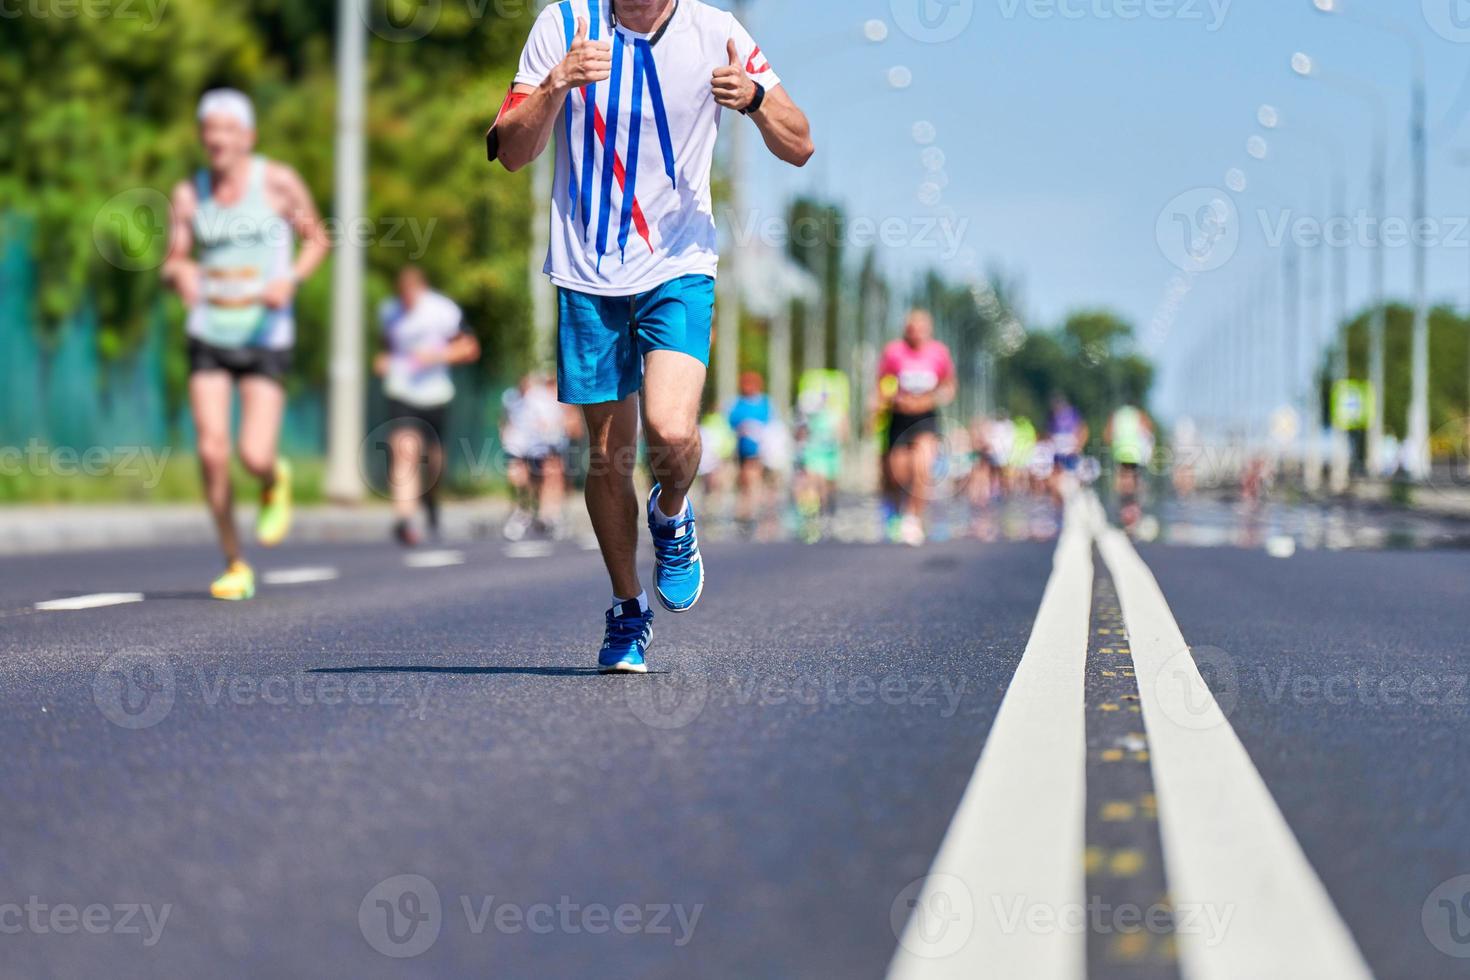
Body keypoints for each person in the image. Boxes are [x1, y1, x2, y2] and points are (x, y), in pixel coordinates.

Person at [491, 0, 813, 672]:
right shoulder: (565, 23)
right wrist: (555, 85)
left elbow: (800, 143)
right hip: (587, 270)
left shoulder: (715, 29)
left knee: (671, 430)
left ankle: (672, 511)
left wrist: (754, 99)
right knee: (608, 453)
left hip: (678, 266)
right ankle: (627, 607)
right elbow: (512, 153)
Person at [162, 89, 330, 600]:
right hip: (210, 331)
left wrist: (290, 280)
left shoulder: (277, 182)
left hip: (265, 333)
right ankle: (235, 562)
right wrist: (183, 274)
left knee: (250, 452)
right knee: (212, 451)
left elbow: (317, 238)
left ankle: (270, 475)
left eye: (228, 130)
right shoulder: (188, 195)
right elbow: (173, 259)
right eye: (209, 130)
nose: (217, 139)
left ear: (248, 137)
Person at [374, 266, 481, 546]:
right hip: (401, 390)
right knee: (404, 450)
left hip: (436, 393)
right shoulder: (389, 311)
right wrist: (384, 361)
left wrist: (437, 356)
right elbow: (387, 347)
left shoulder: (443, 311)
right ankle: (405, 520)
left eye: (411, 295)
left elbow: (470, 348)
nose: (406, 301)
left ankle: (431, 499)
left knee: (434, 462)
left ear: (421, 290)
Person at [876, 309, 956, 547]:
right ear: (906, 330)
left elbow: (949, 387)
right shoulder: (893, 352)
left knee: (923, 466)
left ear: (929, 330)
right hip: (899, 417)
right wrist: (891, 399)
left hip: (926, 418)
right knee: (898, 472)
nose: (916, 333)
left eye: (921, 329)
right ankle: (896, 510)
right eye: (912, 329)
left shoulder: (939, 353)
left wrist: (931, 399)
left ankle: (913, 519)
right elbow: (881, 384)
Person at [501, 373, 574, 541]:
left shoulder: (547, 399)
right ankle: (524, 512)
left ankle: (549, 515)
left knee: (551, 477)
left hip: (545, 445)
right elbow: (508, 420)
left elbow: (560, 424)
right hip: (526, 445)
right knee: (523, 478)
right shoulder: (514, 398)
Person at [728, 371, 773, 529]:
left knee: (752, 477)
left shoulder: (763, 403)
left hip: (757, 449)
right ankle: (747, 510)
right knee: (744, 480)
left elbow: (769, 424)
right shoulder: (740, 403)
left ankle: (750, 511)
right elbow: (732, 421)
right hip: (742, 448)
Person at [1104, 401, 1155, 529]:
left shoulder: (1116, 415)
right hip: (1135, 454)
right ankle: (1132, 512)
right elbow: (1149, 432)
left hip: (1120, 453)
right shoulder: (1139, 415)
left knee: (1123, 484)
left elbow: (1107, 435)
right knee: (1132, 485)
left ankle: (1124, 512)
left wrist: (1114, 445)